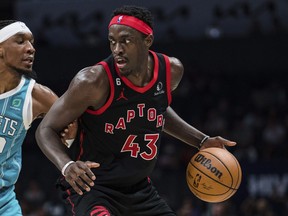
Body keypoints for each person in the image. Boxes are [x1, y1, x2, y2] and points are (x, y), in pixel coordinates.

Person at [35, 5, 236, 216]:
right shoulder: (93, 81)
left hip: (140, 190)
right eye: (112, 41)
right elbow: (45, 129)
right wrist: (67, 165)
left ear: (147, 41)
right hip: (93, 189)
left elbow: (157, 110)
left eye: (126, 41)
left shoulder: (171, 71)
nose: (117, 49)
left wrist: (202, 141)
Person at [0, 20, 76, 215]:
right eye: (20, 41)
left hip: (4, 201)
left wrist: (71, 135)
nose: (31, 49)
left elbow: (69, 137)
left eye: (32, 42)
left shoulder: (37, 96)